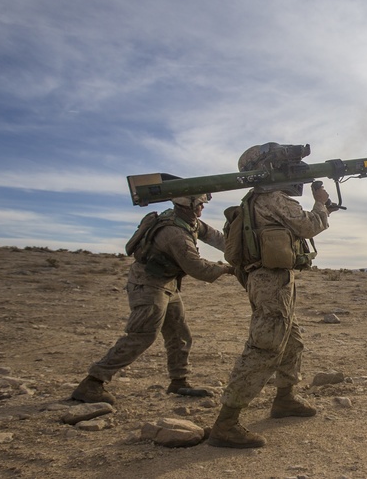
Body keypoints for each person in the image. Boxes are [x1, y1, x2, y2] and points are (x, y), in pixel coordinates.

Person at [208, 143, 333, 449]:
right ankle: (226, 423)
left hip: (271, 281)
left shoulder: (256, 199)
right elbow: (308, 226)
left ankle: (285, 399)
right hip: (271, 283)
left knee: (292, 342)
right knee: (264, 348)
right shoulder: (272, 198)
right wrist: (322, 204)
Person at [71, 193, 234, 404]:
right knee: (142, 334)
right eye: (201, 203)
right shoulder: (175, 233)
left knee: (179, 334)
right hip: (148, 284)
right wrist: (228, 269)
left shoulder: (188, 222)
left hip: (166, 283)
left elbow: (217, 238)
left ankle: (179, 382)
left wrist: (238, 251)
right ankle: (93, 382)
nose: (203, 207)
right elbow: (198, 268)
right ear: (189, 205)